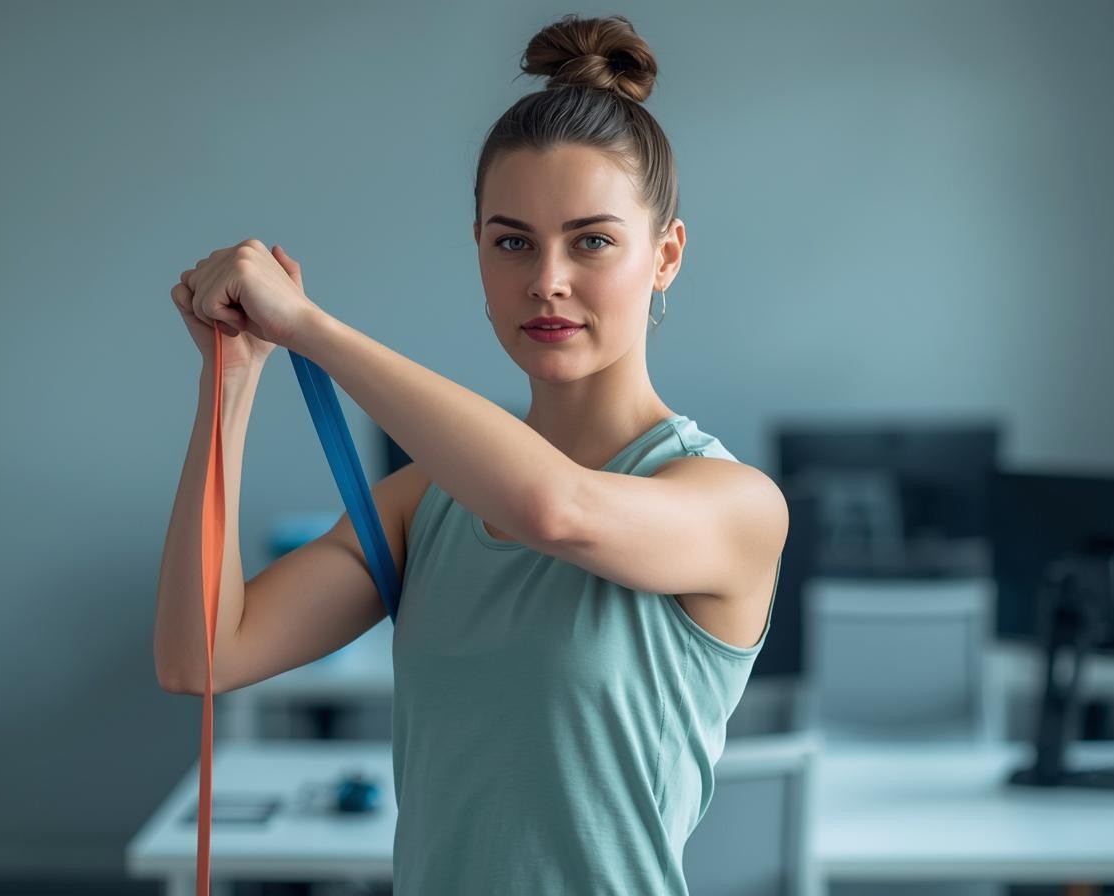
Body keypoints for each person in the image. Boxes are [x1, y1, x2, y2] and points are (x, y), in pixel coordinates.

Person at [155, 13, 790, 895]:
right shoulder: (424, 505)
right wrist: (232, 379)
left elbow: (556, 510)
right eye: (512, 241)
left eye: (592, 240)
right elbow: (203, 657)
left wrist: (311, 327)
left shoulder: (732, 505)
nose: (547, 280)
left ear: (666, 255)